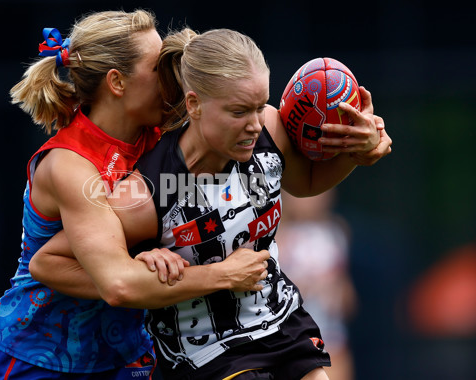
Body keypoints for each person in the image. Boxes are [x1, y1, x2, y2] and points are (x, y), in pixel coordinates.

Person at [29, 27, 392, 380]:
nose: (255, 124)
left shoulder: (268, 127)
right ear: (195, 105)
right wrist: (201, 274)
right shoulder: (144, 192)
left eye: (258, 104)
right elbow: (55, 263)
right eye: (238, 112)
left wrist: (356, 153)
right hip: (204, 353)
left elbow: (306, 183)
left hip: (280, 322)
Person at [0, 11, 270, 380]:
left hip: (129, 355)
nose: (174, 78)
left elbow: (251, 121)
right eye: (159, 68)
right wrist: (223, 275)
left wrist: (345, 141)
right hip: (36, 358)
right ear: (117, 82)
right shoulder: (69, 166)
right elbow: (114, 282)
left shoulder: (162, 137)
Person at [277, 189, 357, 380]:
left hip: (331, 341)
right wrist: (301, 288)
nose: (312, 199)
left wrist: (334, 290)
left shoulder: (335, 234)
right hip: (290, 343)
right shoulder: (276, 237)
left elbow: (349, 302)